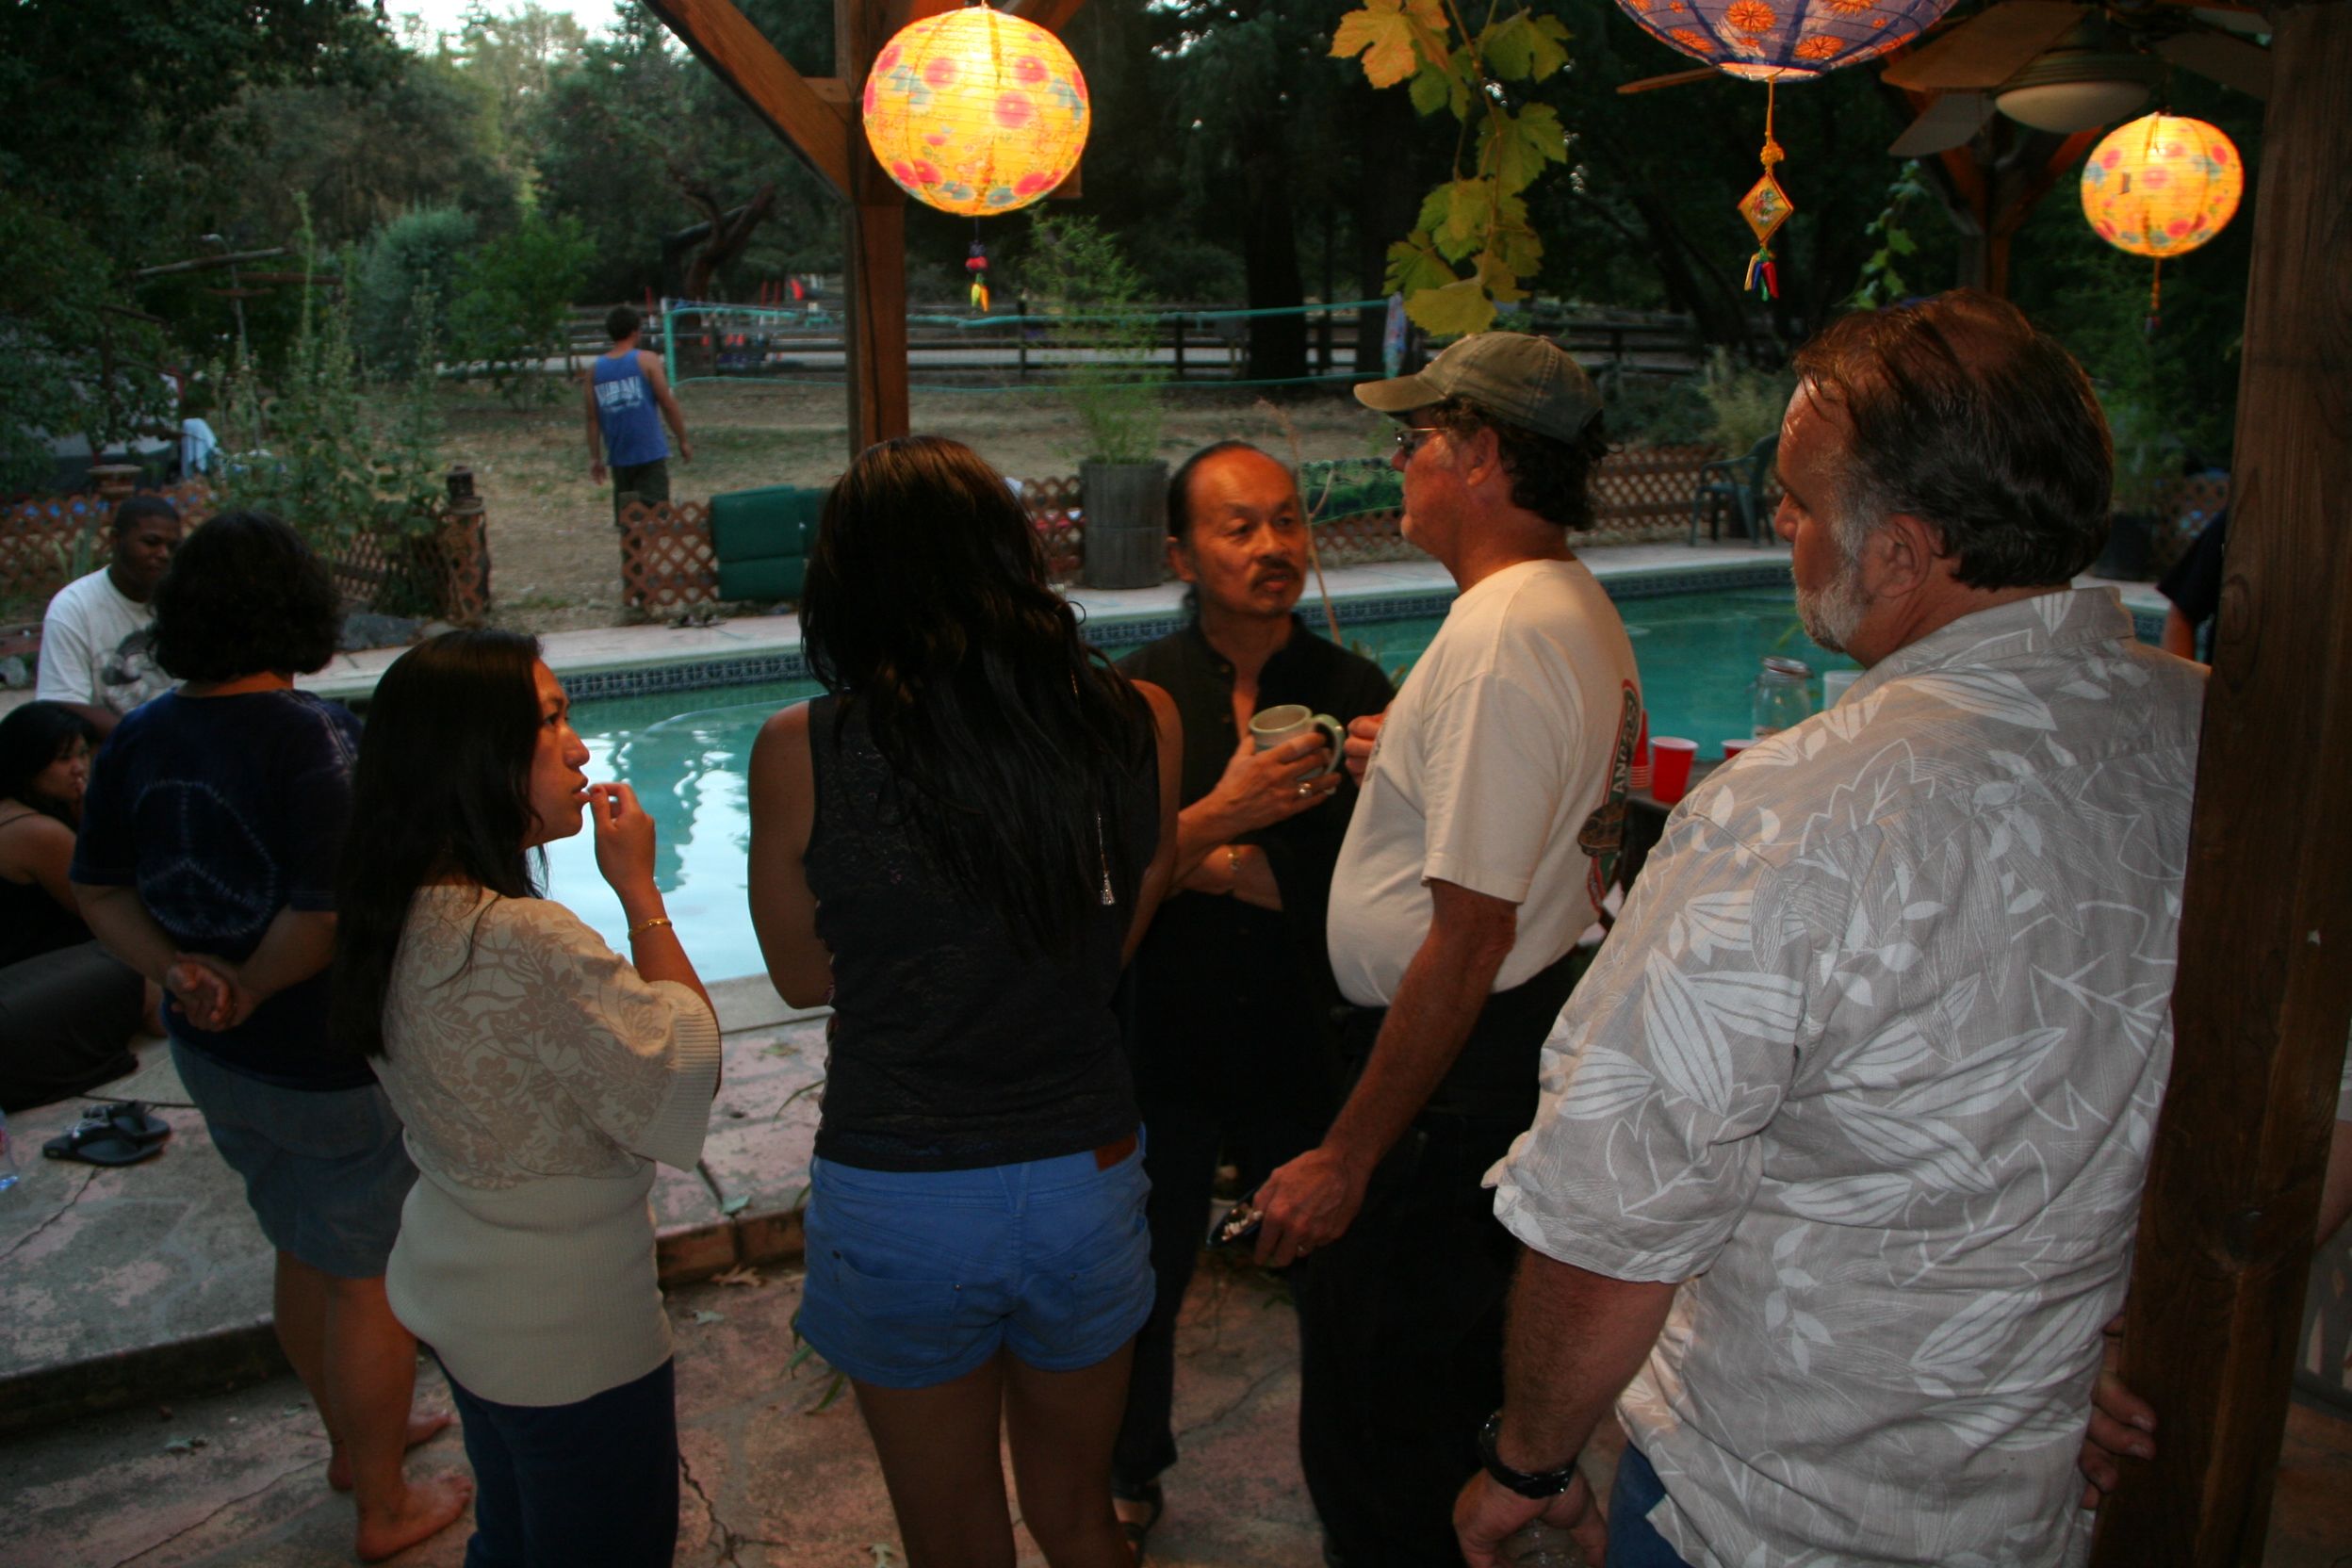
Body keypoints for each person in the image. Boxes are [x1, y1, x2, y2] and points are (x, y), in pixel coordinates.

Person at [1455, 291, 2207, 1568]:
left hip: (1775, 1507)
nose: (1782, 526)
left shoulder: (1800, 810)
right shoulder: (2220, 738)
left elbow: (1613, 1215)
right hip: (2043, 1510)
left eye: (1798, 502)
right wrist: (2155, 1326)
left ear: (1903, 554)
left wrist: (1527, 1459)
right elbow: (2319, 1105)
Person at [745, 434, 1183, 1568]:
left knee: (953, 1541)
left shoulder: (805, 747)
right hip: (1085, 1170)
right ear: (1012, 554)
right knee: (1079, 1516)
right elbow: (1115, 936)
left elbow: (801, 975)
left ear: (849, 580)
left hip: (903, 1189)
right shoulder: (1138, 718)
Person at [1250, 331, 1643, 1567]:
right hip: (1496, 1055)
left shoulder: (1505, 632)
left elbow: (1468, 938)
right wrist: (1410, 759)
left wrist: (1349, 1154)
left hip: (1444, 1088)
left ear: (1480, 454)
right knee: (1442, 1392)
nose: (1400, 462)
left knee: (1382, 1435)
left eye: (1415, 438)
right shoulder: (1565, 605)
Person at [69, 512, 469, 1563]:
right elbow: (330, 911)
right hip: (321, 1056)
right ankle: (383, 1504)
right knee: (368, 1275)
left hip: (213, 1056)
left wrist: (179, 971)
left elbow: (99, 887)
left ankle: (353, 1439)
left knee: (301, 1240)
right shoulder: (315, 739)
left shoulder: (141, 736)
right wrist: (246, 983)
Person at [335, 629, 722, 1568]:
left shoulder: (390, 909)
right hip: (567, 1333)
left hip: (463, 1297)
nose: (580, 749)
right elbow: (686, 1061)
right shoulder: (522, 940)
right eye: (550, 720)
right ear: (478, 752)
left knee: (514, 1535)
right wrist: (641, 891)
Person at [1105, 442, 1394, 1552]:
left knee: (1340, 1284)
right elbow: (1101, 882)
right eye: (1240, 527)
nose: (1274, 545)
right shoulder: (1133, 694)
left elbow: (1361, 883)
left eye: (1287, 521)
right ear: (1182, 552)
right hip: (1159, 1035)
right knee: (1141, 1273)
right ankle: (1129, 1464)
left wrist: (1188, 859)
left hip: (1302, 1038)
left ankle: (1358, 1493)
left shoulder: (1354, 695)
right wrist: (1228, 821)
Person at [0, 701, 148, 1111]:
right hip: (19, 988)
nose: (79, 768)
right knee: (143, 956)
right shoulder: (37, 832)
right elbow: (108, 907)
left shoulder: (17, 811)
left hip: (23, 970)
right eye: (63, 759)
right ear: (28, 764)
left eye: (83, 754)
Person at [36, 494, 183, 737]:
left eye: (173, 547)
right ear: (115, 540)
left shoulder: (184, 602)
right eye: (151, 542)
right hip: (110, 750)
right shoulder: (73, 607)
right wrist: (146, 739)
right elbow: (62, 705)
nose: (164, 554)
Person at [585, 304, 693, 527]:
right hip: (649, 453)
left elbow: (592, 419)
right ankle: (647, 547)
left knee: (629, 522)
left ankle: (632, 550)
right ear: (635, 331)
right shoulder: (647, 360)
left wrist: (595, 457)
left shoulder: (594, 371)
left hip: (619, 456)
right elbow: (667, 403)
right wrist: (682, 439)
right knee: (655, 519)